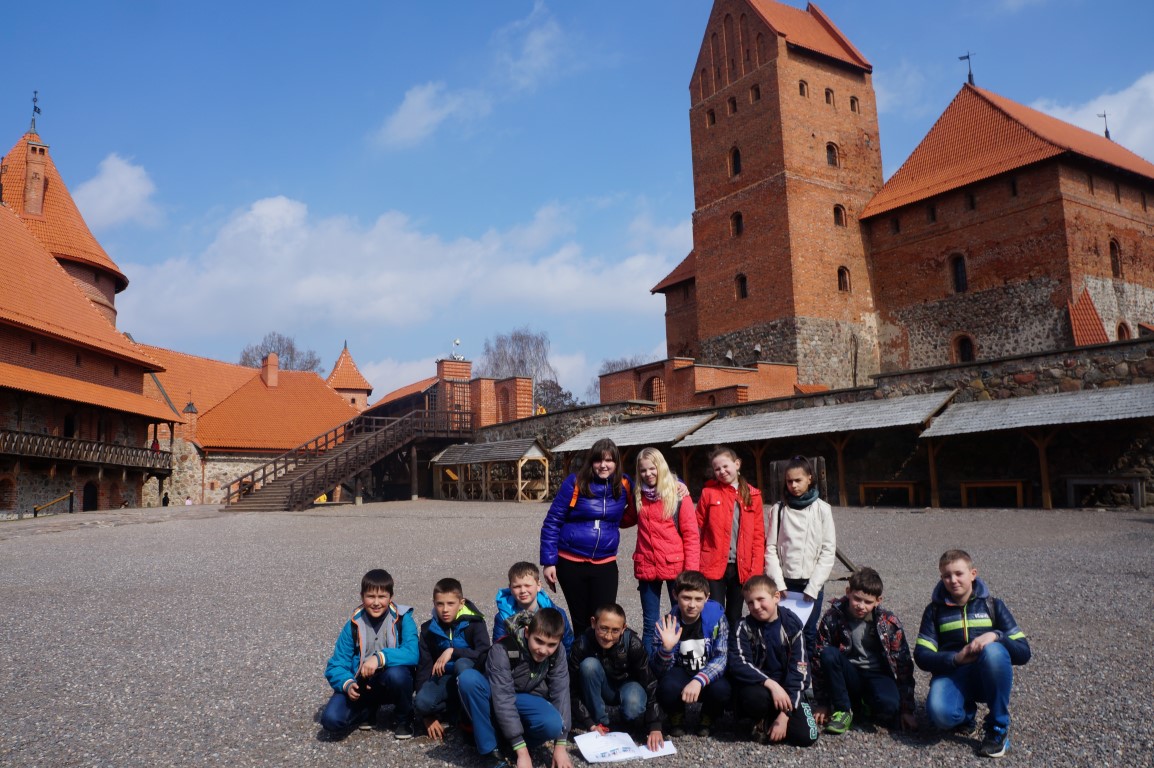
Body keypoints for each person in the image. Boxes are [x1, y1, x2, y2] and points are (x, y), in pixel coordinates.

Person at [915, 549, 1031, 759]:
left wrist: (996, 636)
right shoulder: (934, 611)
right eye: (946, 575)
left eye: (959, 573)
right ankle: (965, 714)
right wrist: (955, 658)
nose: (953, 580)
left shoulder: (993, 605)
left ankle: (997, 727)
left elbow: (1023, 652)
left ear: (973, 574)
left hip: (987, 675)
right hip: (953, 673)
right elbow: (922, 656)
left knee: (995, 651)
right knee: (940, 716)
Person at [540, 438, 637, 632]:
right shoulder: (575, 482)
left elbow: (652, 487)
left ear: (616, 463)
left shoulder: (624, 484)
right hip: (571, 562)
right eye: (598, 460)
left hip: (605, 563)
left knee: (604, 620)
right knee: (581, 622)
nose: (603, 465)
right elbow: (552, 522)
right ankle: (581, 661)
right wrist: (549, 561)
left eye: (609, 460)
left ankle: (600, 661)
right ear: (591, 462)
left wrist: (678, 483)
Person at [458, 608, 573, 768]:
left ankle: (513, 743)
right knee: (468, 679)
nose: (543, 650)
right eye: (538, 641)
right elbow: (503, 698)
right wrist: (523, 753)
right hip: (496, 696)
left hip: (525, 700)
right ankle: (491, 750)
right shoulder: (503, 649)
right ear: (527, 633)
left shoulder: (557, 652)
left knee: (553, 723)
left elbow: (561, 692)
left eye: (551, 645)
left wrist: (560, 746)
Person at [812, 567, 916, 735]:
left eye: (868, 602)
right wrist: (822, 702)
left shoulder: (888, 623)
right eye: (857, 599)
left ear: (878, 601)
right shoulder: (833, 617)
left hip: (877, 674)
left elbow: (903, 664)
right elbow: (817, 659)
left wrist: (907, 709)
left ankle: (863, 704)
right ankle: (843, 710)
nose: (861, 606)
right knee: (828, 654)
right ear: (848, 592)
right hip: (848, 673)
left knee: (889, 707)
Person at [321, 569, 418, 739]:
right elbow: (336, 664)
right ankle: (368, 710)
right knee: (331, 720)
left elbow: (412, 653)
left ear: (391, 597)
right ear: (362, 596)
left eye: (382, 597)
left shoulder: (403, 619)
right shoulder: (353, 624)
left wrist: (380, 658)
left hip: (390, 681)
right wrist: (348, 684)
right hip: (362, 685)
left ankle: (403, 717)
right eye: (370, 596)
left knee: (398, 674)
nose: (376, 602)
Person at [728, 575, 818, 747]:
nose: (756, 606)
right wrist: (770, 684)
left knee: (807, 737)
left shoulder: (792, 626)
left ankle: (777, 718)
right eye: (750, 603)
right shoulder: (743, 626)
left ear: (776, 597)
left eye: (761, 599)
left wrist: (785, 715)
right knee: (753, 698)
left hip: (787, 690)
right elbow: (738, 663)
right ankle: (761, 719)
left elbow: (800, 670)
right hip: (761, 688)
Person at [764, 455, 836, 657]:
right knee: (783, 632)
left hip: (810, 584)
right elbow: (770, 548)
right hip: (786, 584)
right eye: (789, 481)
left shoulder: (822, 509)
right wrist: (778, 583)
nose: (794, 485)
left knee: (809, 633)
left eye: (798, 480)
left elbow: (828, 550)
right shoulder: (778, 510)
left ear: (809, 479)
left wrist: (814, 587)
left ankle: (806, 679)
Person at [569, 603, 664, 751]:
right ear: (594, 623)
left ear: (624, 628)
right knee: (589, 666)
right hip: (601, 687)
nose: (608, 636)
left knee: (633, 705)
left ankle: (629, 720)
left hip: (629, 685)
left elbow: (649, 682)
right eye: (603, 628)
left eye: (615, 631)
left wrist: (655, 725)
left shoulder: (633, 644)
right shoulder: (581, 644)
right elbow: (572, 688)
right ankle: (601, 722)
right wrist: (588, 722)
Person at [633, 447, 699, 653]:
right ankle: (648, 671)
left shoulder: (678, 494)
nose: (648, 474)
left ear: (660, 467)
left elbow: (691, 535)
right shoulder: (637, 494)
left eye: (652, 468)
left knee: (680, 619)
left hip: (675, 566)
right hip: (647, 565)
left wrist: (690, 572)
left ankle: (682, 662)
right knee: (650, 623)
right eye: (643, 470)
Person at [652, 570, 730, 738]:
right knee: (666, 687)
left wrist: (699, 680)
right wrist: (666, 650)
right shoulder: (665, 624)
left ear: (707, 597)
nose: (692, 605)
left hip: (706, 671)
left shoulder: (718, 619)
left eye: (698, 599)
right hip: (681, 672)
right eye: (686, 598)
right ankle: (676, 715)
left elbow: (721, 658)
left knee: (723, 689)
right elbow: (658, 671)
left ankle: (708, 717)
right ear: (675, 595)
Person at [696, 445, 764, 630]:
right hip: (713, 564)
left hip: (742, 567)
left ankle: (734, 653)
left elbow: (758, 536)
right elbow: (696, 528)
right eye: (717, 469)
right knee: (713, 612)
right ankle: (715, 654)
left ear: (737, 464)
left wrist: (756, 570)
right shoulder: (708, 493)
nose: (722, 471)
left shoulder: (753, 495)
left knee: (735, 615)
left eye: (725, 466)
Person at [414, 577, 490, 740]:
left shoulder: (475, 623)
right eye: (439, 604)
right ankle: (452, 709)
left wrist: (453, 651)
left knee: (462, 664)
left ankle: (467, 712)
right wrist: (426, 715)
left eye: (450, 603)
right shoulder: (428, 629)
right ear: (434, 603)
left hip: (470, 674)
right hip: (444, 677)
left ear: (461, 603)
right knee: (421, 702)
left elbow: (485, 653)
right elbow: (424, 668)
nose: (445, 609)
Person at [493, 562, 574, 653]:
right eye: (517, 587)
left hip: (550, 661)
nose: (523, 591)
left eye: (527, 586)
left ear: (538, 585)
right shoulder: (503, 617)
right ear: (510, 588)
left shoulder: (557, 613)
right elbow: (499, 650)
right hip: (518, 664)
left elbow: (568, 645)